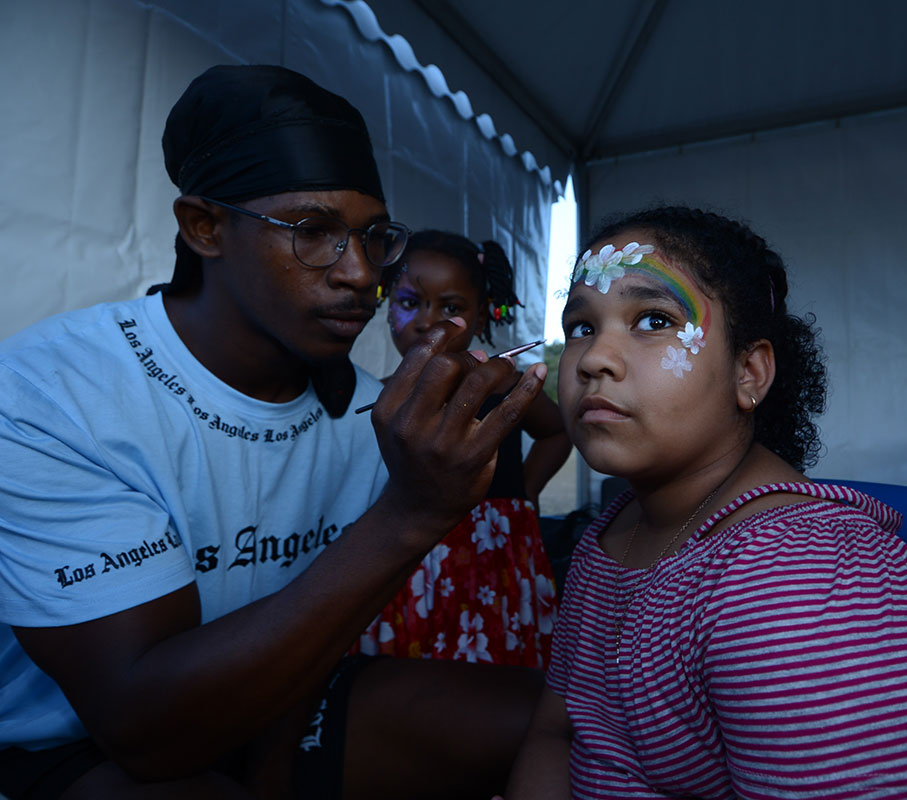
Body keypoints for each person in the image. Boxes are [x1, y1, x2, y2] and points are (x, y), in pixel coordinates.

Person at [0, 64, 548, 799]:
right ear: (204, 227)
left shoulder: (367, 409)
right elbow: (143, 727)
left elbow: (319, 627)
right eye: (313, 232)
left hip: (279, 699)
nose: (360, 273)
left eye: (372, 236)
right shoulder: (60, 390)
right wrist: (412, 515)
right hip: (80, 747)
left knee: (561, 723)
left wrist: (278, 764)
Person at [502, 206, 907, 799]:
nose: (594, 359)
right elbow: (558, 732)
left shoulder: (799, 585)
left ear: (749, 372)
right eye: (581, 327)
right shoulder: (612, 534)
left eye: (652, 319)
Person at [353, 230, 570, 667]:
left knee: (500, 678)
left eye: (451, 308)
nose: (427, 322)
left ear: (482, 313)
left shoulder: (503, 380)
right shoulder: (378, 398)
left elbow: (558, 432)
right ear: (387, 303)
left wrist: (524, 492)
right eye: (410, 302)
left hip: (495, 553)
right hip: (410, 560)